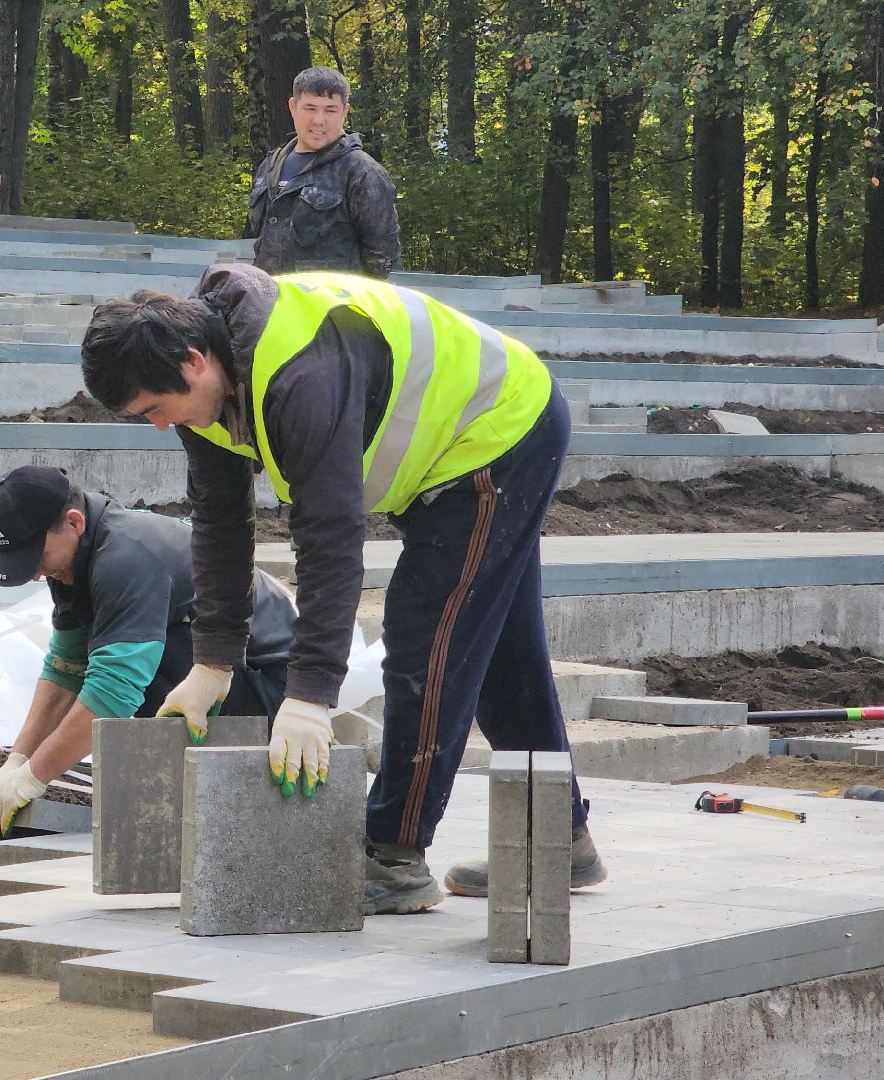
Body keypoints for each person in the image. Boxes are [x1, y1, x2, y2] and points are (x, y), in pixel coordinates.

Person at [76, 265, 607, 915]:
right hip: (467, 445)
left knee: (425, 635)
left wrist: (309, 697)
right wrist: (214, 658)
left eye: (156, 409)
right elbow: (218, 522)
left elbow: (329, 543)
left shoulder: (299, 376)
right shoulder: (205, 381)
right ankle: (556, 838)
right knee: (497, 652)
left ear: (193, 363)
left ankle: (391, 853)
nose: (160, 425)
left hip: (499, 434)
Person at [0, 465, 297, 834]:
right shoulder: (71, 559)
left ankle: (219, 812)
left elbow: (114, 691)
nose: (34, 574)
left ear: (74, 523)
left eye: (37, 557)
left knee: (131, 664)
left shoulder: (124, 557)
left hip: (268, 683)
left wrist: (34, 778)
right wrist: (17, 760)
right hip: (218, 666)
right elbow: (65, 669)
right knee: (115, 655)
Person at [245, 67, 398, 279]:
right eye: (310, 108)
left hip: (333, 308)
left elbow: (382, 256)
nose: (319, 120)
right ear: (293, 107)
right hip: (271, 304)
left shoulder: (361, 172)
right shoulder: (270, 166)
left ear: (345, 112)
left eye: (330, 110)